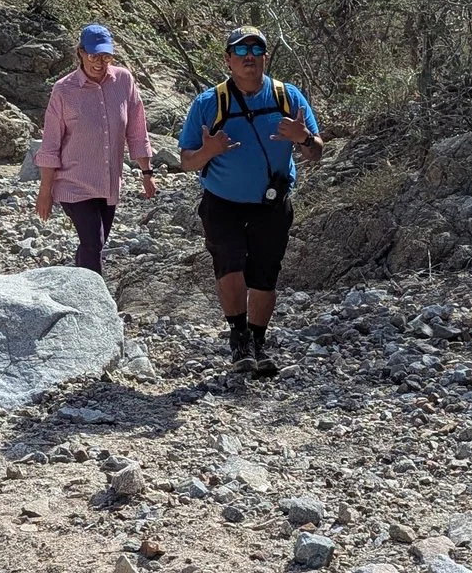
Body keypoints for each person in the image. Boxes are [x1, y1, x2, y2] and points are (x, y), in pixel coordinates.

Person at [178, 25, 323, 375]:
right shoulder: (209, 103)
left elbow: (316, 152)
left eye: (256, 51)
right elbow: (186, 160)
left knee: (264, 275)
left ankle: (257, 342)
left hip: (272, 202)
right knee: (229, 263)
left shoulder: (288, 97)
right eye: (241, 52)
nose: (249, 59)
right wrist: (209, 150)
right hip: (222, 202)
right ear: (228, 60)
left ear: (266, 57)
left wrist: (302, 138)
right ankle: (238, 336)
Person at [34, 23, 156, 274]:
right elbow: (50, 144)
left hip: (109, 182)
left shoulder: (123, 80)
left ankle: (79, 287)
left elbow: (136, 129)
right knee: (93, 241)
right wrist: (45, 192)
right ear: (80, 52)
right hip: (73, 182)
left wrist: (147, 174)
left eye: (106, 56)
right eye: (93, 55)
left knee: (94, 245)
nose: (100, 62)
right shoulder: (63, 90)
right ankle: (96, 302)